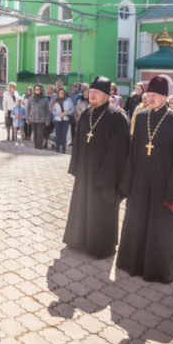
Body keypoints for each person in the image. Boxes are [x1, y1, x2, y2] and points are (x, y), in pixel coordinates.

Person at [116, 76, 173, 283]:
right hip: (141, 181)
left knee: (160, 226)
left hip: (164, 185)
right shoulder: (141, 118)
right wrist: (128, 181)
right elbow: (133, 151)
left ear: (165, 97)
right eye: (148, 95)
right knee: (137, 221)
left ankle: (158, 270)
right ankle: (131, 263)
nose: (150, 99)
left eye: (154, 96)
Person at [63, 76, 130, 258]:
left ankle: (100, 247)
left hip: (106, 176)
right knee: (82, 206)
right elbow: (77, 143)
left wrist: (107, 175)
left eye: (96, 93)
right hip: (85, 174)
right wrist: (76, 167)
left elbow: (120, 151)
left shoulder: (118, 117)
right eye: (90, 92)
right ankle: (78, 240)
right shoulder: (86, 114)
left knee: (101, 211)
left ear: (107, 95)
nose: (91, 96)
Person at [27, 84, 50, 149]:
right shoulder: (31, 98)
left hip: (42, 119)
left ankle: (40, 147)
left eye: (38, 89)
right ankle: (36, 147)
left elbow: (47, 111)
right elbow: (28, 109)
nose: (37, 91)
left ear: (41, 90)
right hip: (33, 119)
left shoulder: (45, 99)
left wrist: (47, 120)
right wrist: (27, 118)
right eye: (36, 89)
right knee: (35, 134)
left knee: (40, 134)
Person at [51, 88, 74, 153]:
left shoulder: (69, 100)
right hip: (57, 120)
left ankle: (63, 148)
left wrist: (66, 113)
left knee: (64, 134)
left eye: (62, 93)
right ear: (58, 93)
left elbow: (72, 109)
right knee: (58, 134)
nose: (61, 94)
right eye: (60, 93)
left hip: (65, 119)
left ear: (64, 93)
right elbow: (52, 110)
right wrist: (58, 114)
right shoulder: (55, 100)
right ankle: (57, 147)